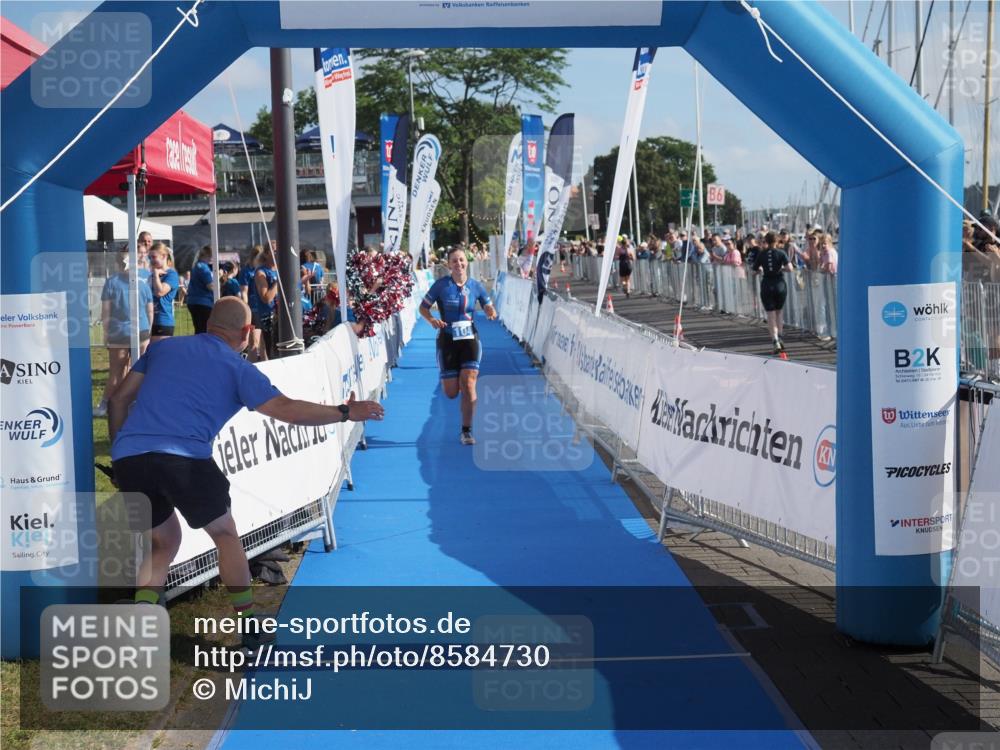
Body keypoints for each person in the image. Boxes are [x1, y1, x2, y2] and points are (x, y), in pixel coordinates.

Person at [108, 297, 384, 649]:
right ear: (246, 332)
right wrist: (346, 411)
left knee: (164, 541)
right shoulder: (237, 368)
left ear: (209, 322)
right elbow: (288, 410)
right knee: (225, 534)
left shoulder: (164, 349)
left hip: (131, 457)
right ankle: (249, 623)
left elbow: (118, 400)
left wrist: (121, 454)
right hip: (185, 457)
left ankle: (142, 615)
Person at [419, 246, 497, 446]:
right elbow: (423, 307)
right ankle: (456, 382)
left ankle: (466, 430)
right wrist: (432, 321)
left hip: (470, 338)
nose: (459, 264)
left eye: (461, 260)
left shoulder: (476, 286)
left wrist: (490, 310)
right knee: (452, 392)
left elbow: (487, 303)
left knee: (469, 383)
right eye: (454, 261)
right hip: (447, 340)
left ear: (467, 262)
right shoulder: (441, 286)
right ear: (448, 265)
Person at [96, 249, 154, 417]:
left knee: (116, 373)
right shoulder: (142, 284)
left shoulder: (111, 282)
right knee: (141, 372)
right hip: (142, 332)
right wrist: (148, 331)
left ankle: (105, 405)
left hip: (118, 333)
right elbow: (150, 311)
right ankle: (138, 404)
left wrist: (105, 334)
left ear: (117, 264)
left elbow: (106, 311)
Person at [751, 231, 793, 353]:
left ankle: (774, 340)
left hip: (767, 285)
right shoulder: (781, 253)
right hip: (779, 284)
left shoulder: (761, 254)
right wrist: (780, 269)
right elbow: (790, 268)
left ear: (766, 241)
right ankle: (780, 337)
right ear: (776, 241)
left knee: (770, 314)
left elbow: (753, 271)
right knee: (779, 312)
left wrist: (760, 270)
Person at [247, 244, 278, 361]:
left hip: (281, 315)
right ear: (266, 254)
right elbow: (266, 298)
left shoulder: (280, 270)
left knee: (269, 348)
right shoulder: (261, 272)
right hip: (267, 316)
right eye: (274, 251)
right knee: (268, 348)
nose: (278, 253)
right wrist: (278, 282)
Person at [148, 242, 179, 342]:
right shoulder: (151, 274)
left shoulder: (171, 274)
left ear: (164, 256)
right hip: (147, 320)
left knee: (159, 355)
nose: (151, 260)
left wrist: (156, 275)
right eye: (150, 257)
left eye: (154, 257)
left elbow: (160, 292)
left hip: (162, 321)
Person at [186, 245, 216, 334]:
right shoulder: (203, 268)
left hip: (194, 301)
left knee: (199, 329)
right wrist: (220, 281)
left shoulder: (197, 265)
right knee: (203, 330)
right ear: (208, 255)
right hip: (202, 303)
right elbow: (210, 286)